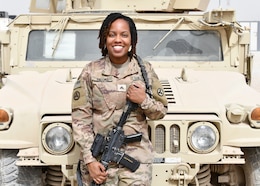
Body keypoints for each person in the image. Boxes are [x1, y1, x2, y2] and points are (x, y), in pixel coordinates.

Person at [71, 12, 168, 186]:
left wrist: (143, 100)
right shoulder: (91, 71)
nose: (118, 40)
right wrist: (89, 160)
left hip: (136, 163)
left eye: (124, 35)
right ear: (104, 39)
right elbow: (80, 120)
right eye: (112, 34)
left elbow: (160, 111)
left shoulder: (144, 70)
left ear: (132, 40)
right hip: (100, 160)